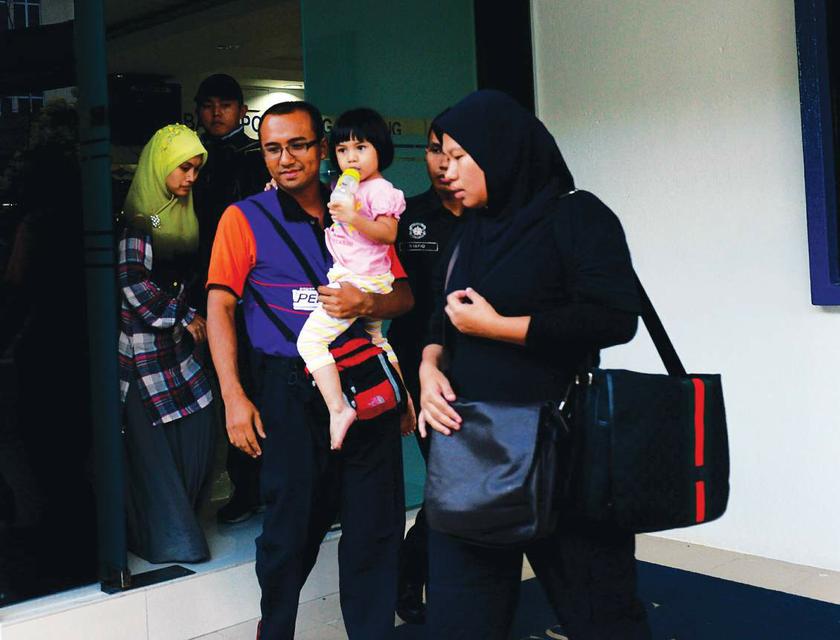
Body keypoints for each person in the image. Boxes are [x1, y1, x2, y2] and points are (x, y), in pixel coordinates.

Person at [418, 90, 652, 639]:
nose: (445, 171)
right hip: (472, 450)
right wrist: (429, 366)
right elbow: (440, 321)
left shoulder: (577, 216)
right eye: (440, 156)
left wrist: (500, 328)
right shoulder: (465, 232)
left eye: (457, 156)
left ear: (502, 152)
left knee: (603, 617)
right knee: (460, 620)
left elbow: (615, 319)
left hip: (565, 451)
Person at [206, 101, 413, 640]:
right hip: (289, 390)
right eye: (273, 148)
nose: (285, 158)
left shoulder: (361, 210)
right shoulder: (244, 217)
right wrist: (234, 396)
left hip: (363, 383)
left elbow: (406, 295)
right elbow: (220, 308)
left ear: (322, 149)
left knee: (374, 527)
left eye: (297, 145)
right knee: (288, 530)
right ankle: (274, 630)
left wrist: (365, 305)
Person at [118, 124, 216, 564]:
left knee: (194, 430)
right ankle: (168, 535)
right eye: (183, 167)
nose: (190, 177)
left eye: (196, 168)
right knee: (157, 450)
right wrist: (186, 313)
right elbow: (133, 286)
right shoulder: (141, 220)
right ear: (160, 165)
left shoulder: (174, 213)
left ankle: (174, 528)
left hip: (174, 351)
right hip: (144, 356)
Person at [296, 107, 411, 450]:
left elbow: (389, 233)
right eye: (343, 149)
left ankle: (338, 409)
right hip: (360, 277)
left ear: (380, 149)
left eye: (361, 148)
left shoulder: (380, 191)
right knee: (376, 340)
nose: (351, 157)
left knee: (310, 343)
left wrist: (354, 216)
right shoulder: (348, 184)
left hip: (362, 281)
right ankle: (403, 398)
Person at [389, 113, 465, 625]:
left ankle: (422, 569)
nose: (442, 160)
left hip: (483, 372)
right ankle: (414, 570)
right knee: (446, 481)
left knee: (459, 485)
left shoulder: (490, 216)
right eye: (434, 148)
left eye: (453, 150)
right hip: (423, 374)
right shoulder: (409, 217)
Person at [192, 73, 268, 525]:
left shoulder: (256, 159)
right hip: (208, 286)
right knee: (227, 391)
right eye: (208, 104)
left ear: (242, 111)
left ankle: (264, 485)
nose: (216, 113)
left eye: (226, 105)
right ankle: (246, 486)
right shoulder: (192, 157)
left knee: (260, 385)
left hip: (256, 288)